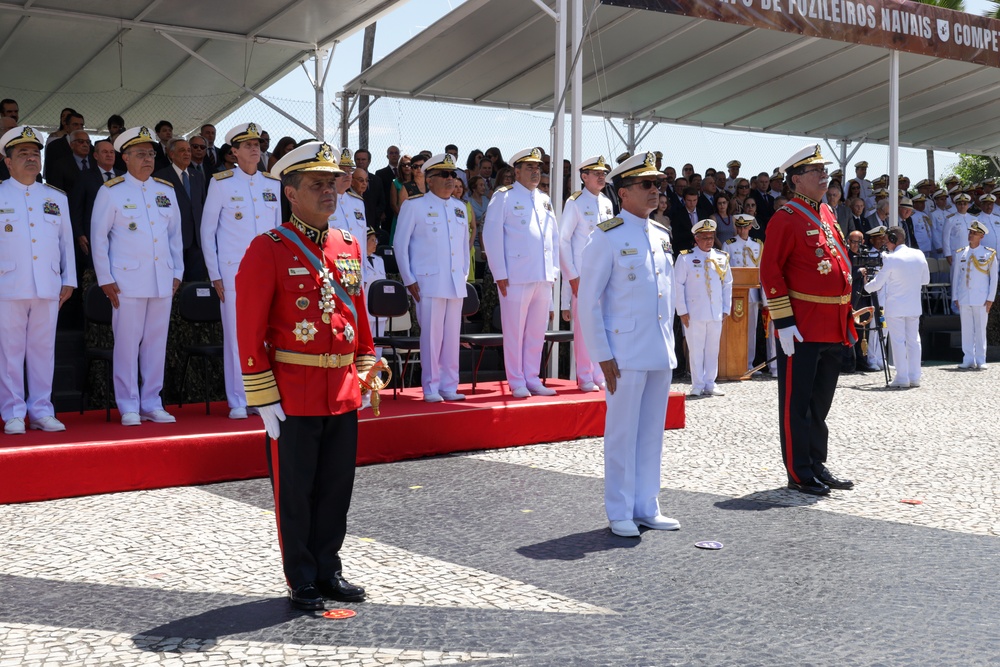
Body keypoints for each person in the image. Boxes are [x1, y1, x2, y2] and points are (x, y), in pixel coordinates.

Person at [235, 140, 376, 611]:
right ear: (291, 193)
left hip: (340, 390)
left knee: (337, 487)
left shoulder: (348, 245)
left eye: (332, 182)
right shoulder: (267, 248)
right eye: (317, 184)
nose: (329, 191)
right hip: (292, 392)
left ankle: (329, 566)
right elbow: (249, 327)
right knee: (295, 492)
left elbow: (359, 318)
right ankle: (301, 576)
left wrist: (364, 371)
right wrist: (262, 395)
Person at [577, 151, 679, 538]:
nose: (655, 190)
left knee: (652, 431)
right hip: (623, 352)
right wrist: (601, 354)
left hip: (657, 348)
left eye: (658, 184)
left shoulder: (661, 235)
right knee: (621, 433)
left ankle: (646, 505)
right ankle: (619, 509)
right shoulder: (606, 236)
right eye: (646, 184)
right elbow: (588, 302)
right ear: (624, 192)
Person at [758, 144, 856, 497]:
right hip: (801, 326)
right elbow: (770, 271)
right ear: (796, 180)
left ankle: (817, 462)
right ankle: (799, 471)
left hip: (831, 323)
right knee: (796, 403)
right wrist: (783, 322)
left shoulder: (827, 213)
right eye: (815, 171)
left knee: (820, 402)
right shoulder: (785, 218)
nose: (823, 175)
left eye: (824, 170)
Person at [91, 126, 183, 426]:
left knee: (156, 343)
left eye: (151, 153)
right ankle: (128, 403)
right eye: (140, 154)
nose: (148, 159)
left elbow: (174, 237)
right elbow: (99, 238)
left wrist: (177, 271)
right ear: (125, 158)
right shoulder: (111, 191)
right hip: (126, 281)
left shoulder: (165, 190)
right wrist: (105, 277)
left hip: (162, 279)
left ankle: (152, 401)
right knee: (128, 343)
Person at [200, 122, 282, 420]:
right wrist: (215, 274)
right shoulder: (221, 183)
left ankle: (263, 397)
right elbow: (207, 232)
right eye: (247, 144)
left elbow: (278, 233)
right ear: (233, 152)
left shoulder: (272, 184)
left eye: (257, 143)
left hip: (269, 273)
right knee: (238, 336)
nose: (254, 147)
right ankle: (238, 398)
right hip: (234, 272)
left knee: (267, 335)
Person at [0, 126, 76, 435]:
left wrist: (69, 279)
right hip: (9, 285)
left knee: (43, 352)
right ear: (7, 162)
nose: (32, 158)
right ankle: (14, 412)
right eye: (23, 154)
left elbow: (65, 242)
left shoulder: (55, 197)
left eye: (35, 153)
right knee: (10, 352)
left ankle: (42, 410)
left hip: (48, 285)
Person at [483, 147, 559, 399]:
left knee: (537, 332)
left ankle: (532, 377)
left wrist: (553, 271)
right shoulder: (503, 196)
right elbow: (491, 235)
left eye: (538, 167)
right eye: (529, 167)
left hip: (542, 274)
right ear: (516, 171)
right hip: (515, 275)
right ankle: (516, 380)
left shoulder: (544, 198)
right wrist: (499, 272)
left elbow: (553, 238)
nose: (536, 171)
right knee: (515, 331)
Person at [394, 153, 471, 402]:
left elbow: (463, 247)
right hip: (427, 282)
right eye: (445, 175)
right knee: (431, 338)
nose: (451, 179)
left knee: (451, 339)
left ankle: (450, 385)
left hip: (454, 282)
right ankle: (430, 387)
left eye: (453, 174)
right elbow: (400, 244)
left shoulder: (459, 208)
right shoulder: (414, 205)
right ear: (429, 179)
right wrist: (409, 279)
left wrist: (463, 275)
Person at [559, 155, 614, 392]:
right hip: (583, 275)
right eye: (597, 173)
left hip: (606, 275)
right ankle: (584, 376)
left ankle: (599, 374)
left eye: (603, 173)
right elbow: (563, 241)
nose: (602, 176)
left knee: (602, 328)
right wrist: (572, 276)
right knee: (583, 330)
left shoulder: (607, 203)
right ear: (584, 177)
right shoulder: (575, 202)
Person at [862, 226, 930, 388]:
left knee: (898, 341)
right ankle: (914, 376)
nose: (885, 243)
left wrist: (865, 286)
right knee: (914, 341)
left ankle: (902, 377)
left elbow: (877, 284)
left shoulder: (891, 259)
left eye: (887, 240)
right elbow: (925, 280)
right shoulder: (919, 254)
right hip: (913, 306)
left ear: (893, 239)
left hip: (896, 307)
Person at [675, 219, 733, 397]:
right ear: (696, 238)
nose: (709, 240)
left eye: (711, 237)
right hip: (694, 312)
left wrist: (725, 308)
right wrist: (682, 311)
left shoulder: (721, 257)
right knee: (696, 349)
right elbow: (678, 285)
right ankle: (698, 383)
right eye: (705, 237)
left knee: (712, 348)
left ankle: (710, 382)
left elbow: (727, 283)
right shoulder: (685, 257)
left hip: (715, 311)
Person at [154, 138, 207, 282]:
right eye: (182, 150)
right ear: (171, 154)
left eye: (189, 150)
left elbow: (201, 205)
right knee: (174, 282)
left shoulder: (198, 176)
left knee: (196, 284)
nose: (187, 153)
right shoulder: (161, 177)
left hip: (196, 240)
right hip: (173, 238)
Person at [952, 220, 998, 370]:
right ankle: (967, 358)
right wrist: (955, 296)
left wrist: (990, 298)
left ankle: (981, 358)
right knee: (966, 329)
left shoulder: (988, 254)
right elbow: (956, 277)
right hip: (965, 296)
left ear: (981, 236)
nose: (971, 235)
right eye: (970, 232)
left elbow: (994, 278)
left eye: (974, 233)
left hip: (981, 298)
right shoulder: (961, 253)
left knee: (980, 329)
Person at [727, 213, 763, 373]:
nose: (742, 230)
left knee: (751, 330)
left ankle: (749, 363)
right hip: (735, 292)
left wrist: (763, 296)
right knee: (735, 328)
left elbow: (761, 271)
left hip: (752, 293)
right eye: (739, 227)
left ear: (750, 227)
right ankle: (735, 361)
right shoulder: (729, 245)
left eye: (745, 226)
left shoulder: (757, 245)